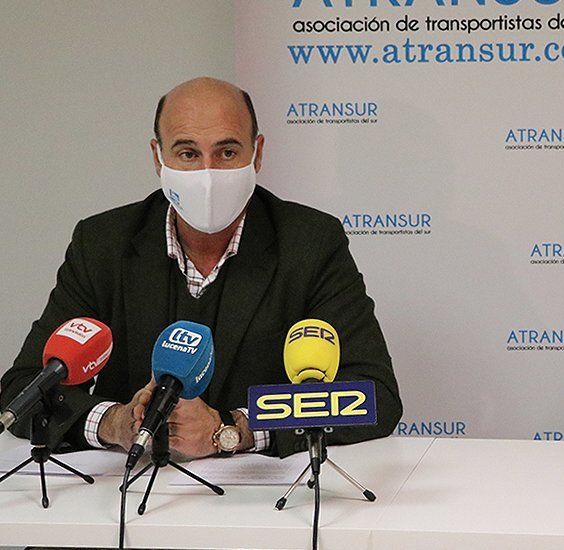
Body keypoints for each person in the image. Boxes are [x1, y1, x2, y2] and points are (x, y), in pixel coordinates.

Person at [0, 77, 401, 458]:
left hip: (265, 504)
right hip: (129, 491)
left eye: (227, 152)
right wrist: (115, 423)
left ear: (256, 153)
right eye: (188, 153)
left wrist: (232, 431)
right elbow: (25, 387)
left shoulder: (310, 242)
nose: (208, 174)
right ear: (158, 157)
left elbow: (372, 393)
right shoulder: (103, 244)